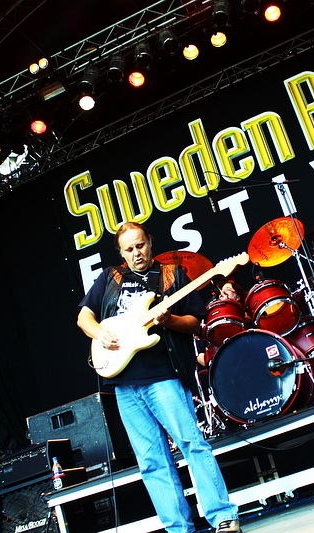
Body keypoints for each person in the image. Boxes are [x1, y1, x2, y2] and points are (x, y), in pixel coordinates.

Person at [77, 222, 240, 532]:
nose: (136, 253)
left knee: (192, 444)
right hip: (125, 384)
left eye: (140, 245)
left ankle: (223, 518)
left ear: (150, 242)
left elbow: (195, 323)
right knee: (151, 462)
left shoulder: (171, 275)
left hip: (163, 375)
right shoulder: (110, 278)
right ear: (121, 252)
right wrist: (100, 333)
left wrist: (170, 319)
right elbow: (84, 316)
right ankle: (178, 528)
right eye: (129, 249)